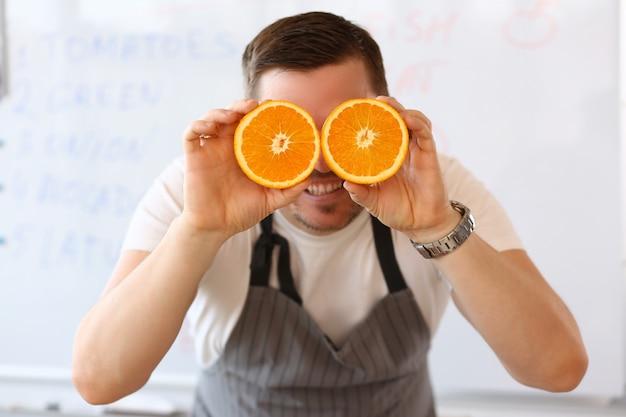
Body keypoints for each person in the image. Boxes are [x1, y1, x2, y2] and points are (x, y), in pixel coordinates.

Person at [72, 11, 587, 416]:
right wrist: (201, 230)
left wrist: (436, 227)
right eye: (292, 131)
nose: (320, 161)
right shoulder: (199, 189)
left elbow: (559, 369)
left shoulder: (433, 186)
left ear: (383, 117)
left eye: (342, 127)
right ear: (253, 125)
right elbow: (99, 381)